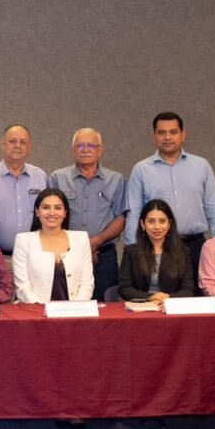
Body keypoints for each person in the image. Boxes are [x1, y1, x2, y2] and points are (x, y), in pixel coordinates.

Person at [125, 112, 215, 286]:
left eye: (173, 132)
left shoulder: (201, 166)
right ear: (154, 137)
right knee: (159, 298)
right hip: (157, 248)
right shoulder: (141, 169)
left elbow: (214, 209)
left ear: (182, 135)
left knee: (199, 298)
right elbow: (134, 214)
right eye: (161, 133)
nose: (167, 137)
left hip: (195, 246)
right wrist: (133, 252)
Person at [48, 128, 127, 301]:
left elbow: (121, 218)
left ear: (100, 150)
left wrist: (95, 242)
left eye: (91, 146)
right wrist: (81, 247)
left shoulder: (116, 180)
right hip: (66, 254)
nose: (85, 150)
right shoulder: (57, 178)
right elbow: (50, 217)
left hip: (104, 256)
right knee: (65, 303)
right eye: (80, 146)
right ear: (73, 150)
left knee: (105, 305)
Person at [0, 125, 48, 266]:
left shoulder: (41, 177)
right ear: (2, 144)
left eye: (23, 142)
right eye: (12, 141)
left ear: (29, 147)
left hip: (34, 259)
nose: (18, 146)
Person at [12, 188, 94, 303]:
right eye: (46, 207)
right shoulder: (23, 241)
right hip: (35, 309)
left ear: (65, 212)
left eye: (58, 208)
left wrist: (74, 308)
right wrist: (43, 309)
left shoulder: (81, 239)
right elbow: (23, 287)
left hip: (75, 309)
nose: (52, 213)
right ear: (37, 212)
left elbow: (87, 284)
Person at [118, 199, 195, 302]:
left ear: (169, 224)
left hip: (171, 306)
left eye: (162, 221)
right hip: (142, 306)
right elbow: (124, 288)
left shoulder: (183, 252)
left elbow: (188, 290)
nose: (157, 226)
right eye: (151, 221)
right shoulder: (131, 252)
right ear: (142, 224)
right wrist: (149, 297)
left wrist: (167, 298)